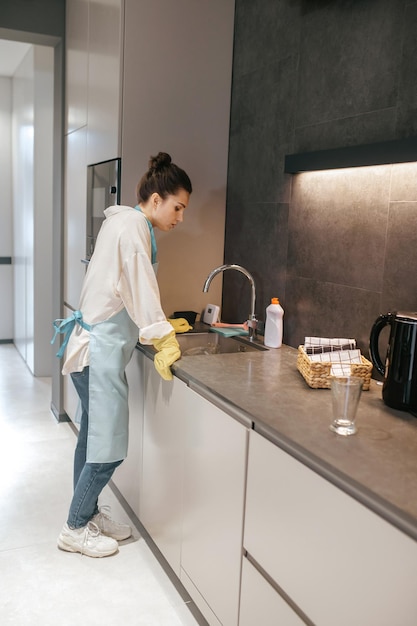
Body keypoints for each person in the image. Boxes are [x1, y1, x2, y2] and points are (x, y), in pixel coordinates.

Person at [51, 152, 192, 557]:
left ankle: (87, 514)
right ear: (156, 198)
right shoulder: (133, 228)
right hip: (98, 354)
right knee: (107, 448)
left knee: (93, 442)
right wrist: (161, 334)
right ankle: (74, 527)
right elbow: (139, 288)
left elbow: (127, 292)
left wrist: (160, 325)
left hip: (93, 351)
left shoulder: (126, 222)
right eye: (177, 207)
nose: (180, 218)